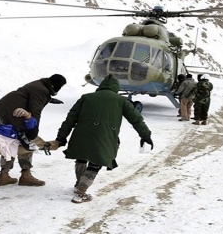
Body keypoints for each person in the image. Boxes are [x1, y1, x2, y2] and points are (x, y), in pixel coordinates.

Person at [55, 74, 153, 204]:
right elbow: (136, 120)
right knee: (96, 162)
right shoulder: (121, 101)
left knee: (81, 157)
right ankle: (81, 192)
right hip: (105, 137)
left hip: (81, 134)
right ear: (116, 88)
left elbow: (70, 119)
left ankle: (79, 183)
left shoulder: (86, 98)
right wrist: (145, 136)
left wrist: (61, 136)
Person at [0, 74, 67, 187]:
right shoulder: (42, 91)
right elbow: (35, 112)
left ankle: (4, 175)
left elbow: (27, 96)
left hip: (6, 111)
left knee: (9, 142)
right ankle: (25, 175)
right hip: (14, 114)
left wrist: (48, 99)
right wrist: (33, 131)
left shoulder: (40, 84)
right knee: (27, 141)